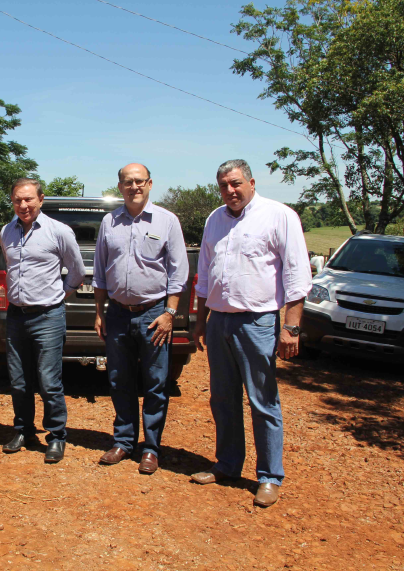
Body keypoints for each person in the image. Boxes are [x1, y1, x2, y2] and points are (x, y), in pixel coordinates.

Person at [190, 159, 312, 507]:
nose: (230, 190)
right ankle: (227, 464)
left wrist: (291, 326)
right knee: (222, 398)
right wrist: (201, 321)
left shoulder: (279, 215)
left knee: (262, 401)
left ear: (252, 182)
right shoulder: (215, 219)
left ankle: (270, 477)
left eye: (236, 183)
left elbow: (296, 274)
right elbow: (204, 271)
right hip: (219, 322)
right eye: (224, 185)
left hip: (258, 322)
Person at [93, 164, 189, 474]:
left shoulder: (167, 221)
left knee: (155, 383)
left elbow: (178, 273)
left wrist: (169, 314)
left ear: (149, 184)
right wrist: (99, 312)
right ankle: (123, 442)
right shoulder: (109, 221)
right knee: (119, 380)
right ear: (119, 186)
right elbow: (99, 272)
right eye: (127, 182)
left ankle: (151, 448)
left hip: (154, 315)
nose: (134, 186)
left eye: (139, 181)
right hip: (118, 313)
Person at [0, 178, 86, 463]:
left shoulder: (59, 231)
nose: (23, 206)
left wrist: (60, 294)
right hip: (15, 316)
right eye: (17, 200)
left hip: (48, 316)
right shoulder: (6, 232)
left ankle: (56, 436)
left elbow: (76, 270)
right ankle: (23, 430)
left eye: (28, 200)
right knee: (19, 380)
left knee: (49, 380)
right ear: (12, 202)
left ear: (41, 199)